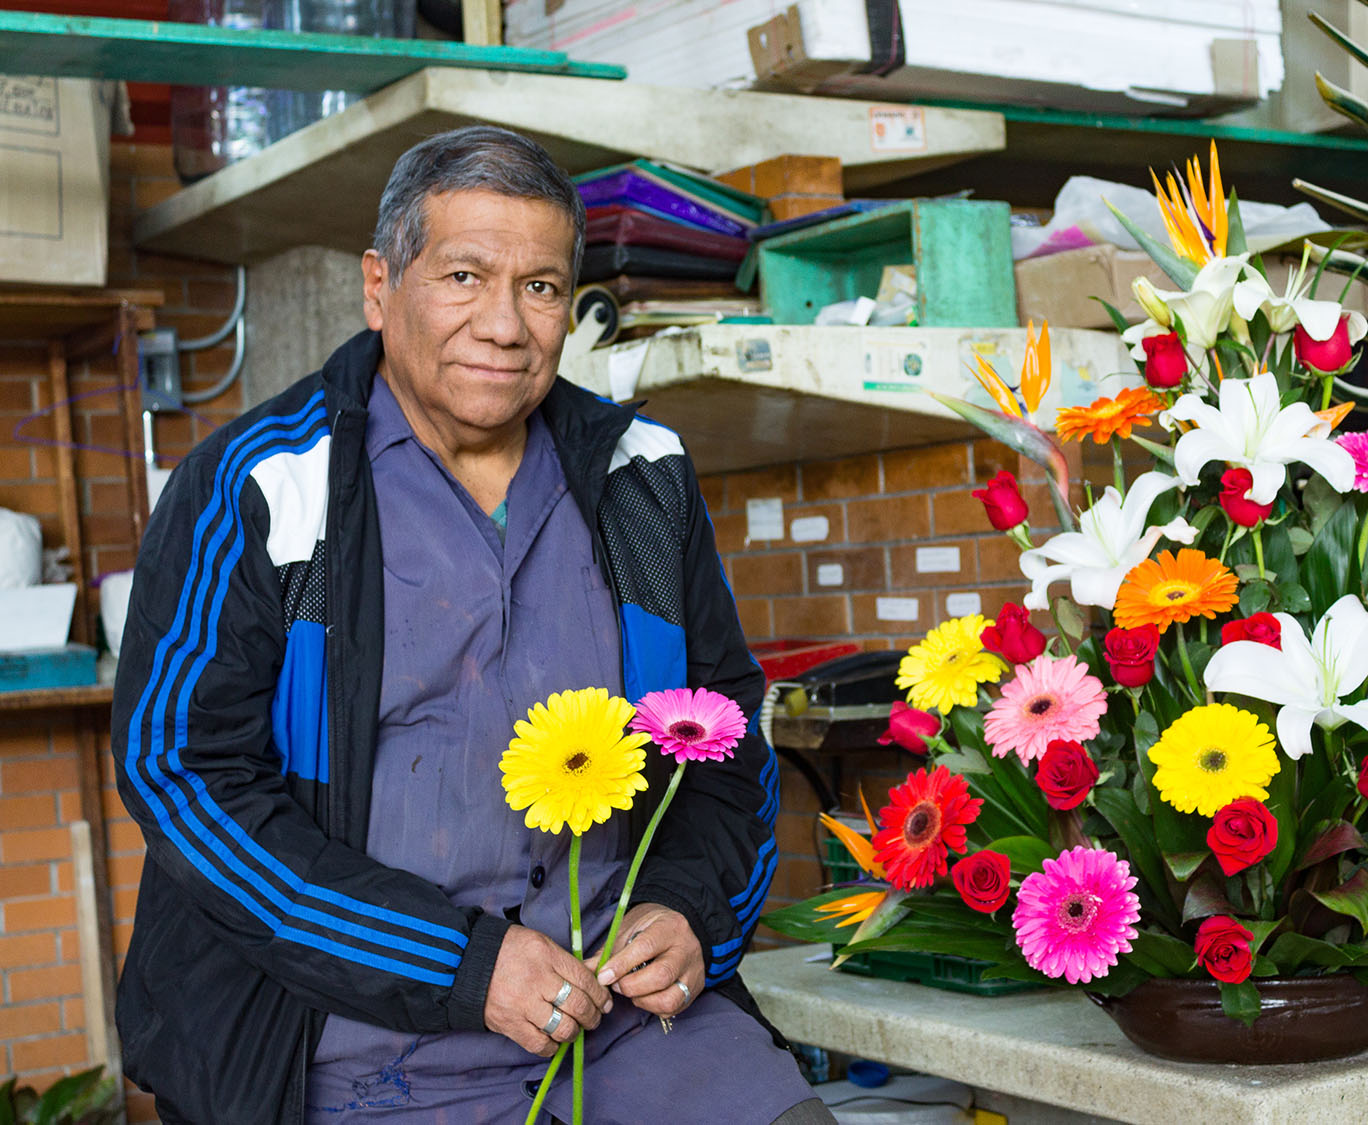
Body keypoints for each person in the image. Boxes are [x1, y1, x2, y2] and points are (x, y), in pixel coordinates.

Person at [111, 125, 833, 1124]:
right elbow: (183, 777)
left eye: (541, 287)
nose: (505, 323)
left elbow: (724, 729)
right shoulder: (263, 482)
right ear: (379, 286)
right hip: (353, 1055)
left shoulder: (640, 475)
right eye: (463, 274)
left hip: (623, 1030)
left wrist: (690, 914)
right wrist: (458, 963)